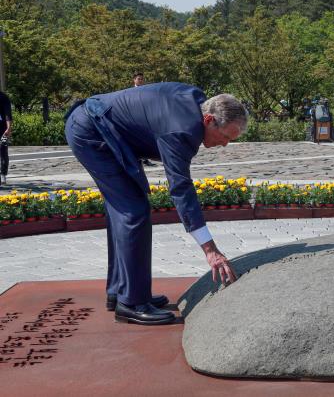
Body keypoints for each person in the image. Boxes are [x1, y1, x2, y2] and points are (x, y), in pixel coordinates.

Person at [65, 82, 246, 325]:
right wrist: (210, 250)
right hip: (92, 132)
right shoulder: (182, 130)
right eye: (225, 137)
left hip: (100, 126)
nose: (225, 145)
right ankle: (131, 303)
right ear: (208, 120)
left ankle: (121, 290)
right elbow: (181, 189)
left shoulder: (196, 105)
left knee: (124, 209)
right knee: (133, 212)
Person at [0, 90, 11, 185]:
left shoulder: (3, 97)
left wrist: (8, 128)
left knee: (3, 150)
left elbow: (8, 114)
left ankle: (3, 174)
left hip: (2, 128)